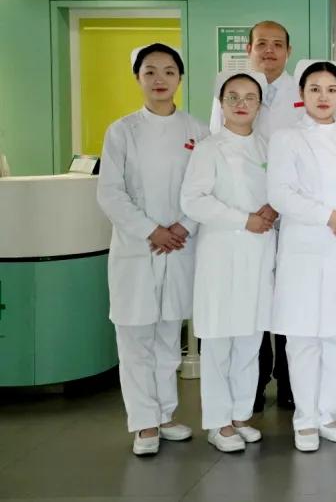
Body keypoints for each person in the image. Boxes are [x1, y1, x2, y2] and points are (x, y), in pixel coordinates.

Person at [97, 43, 209, 456]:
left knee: (168, 335)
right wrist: (151, 230)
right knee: (135, 336)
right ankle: (143, 422)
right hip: (137, 248)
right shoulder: (122, 131)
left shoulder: (197, 131)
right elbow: (110, 193)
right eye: (150, 72)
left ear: (180, 78)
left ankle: (165, 415)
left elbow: (206, 188)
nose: (159, 79)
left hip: (179, 245)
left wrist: (181, 227)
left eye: (168, 71)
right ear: (138, 78)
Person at [267, 60, 336, 452]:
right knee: (302, 338)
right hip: (305, 249)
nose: (323, 97)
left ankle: (327, 416)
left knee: (335, 338)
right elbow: (281, 193)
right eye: (314, 89)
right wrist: (330, 216)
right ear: (302, 94)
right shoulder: (286, 137)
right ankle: (305, 419)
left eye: (331, 89)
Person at [181, 71, 276, 453]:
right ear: (221, 104)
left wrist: (272, 209)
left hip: (259, 254)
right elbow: (193, 200)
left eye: (250, 97)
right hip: (222, 254)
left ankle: (240, 416)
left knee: (251, 339)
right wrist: (243, 219)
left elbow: (279, 191)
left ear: (259, 105)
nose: (241, 104)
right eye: (233, 97)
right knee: (219, 341)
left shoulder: (267, 147)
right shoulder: (209, 148)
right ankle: (218, 422)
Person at [209, 20, 302, 412]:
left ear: (288, 51)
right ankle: (256, 381)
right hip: (246, 218)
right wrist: (248, 212)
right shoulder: (230, 92)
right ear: (248, 49)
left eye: (277, 44)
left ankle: (289, 380)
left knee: (289, 297)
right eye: (261, 43)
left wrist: (279, 203)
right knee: (253, 298)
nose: (269, 51)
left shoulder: (301, 92)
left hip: (291, 213)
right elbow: (221, 153)